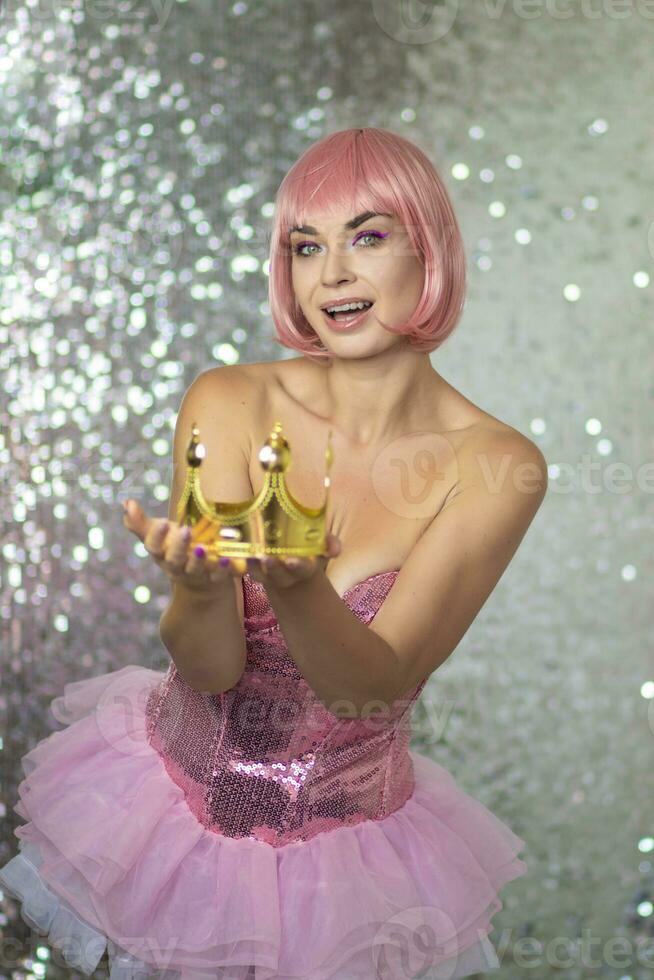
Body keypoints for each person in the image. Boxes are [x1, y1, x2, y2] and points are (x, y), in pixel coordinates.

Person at [0, 128, 547, 979]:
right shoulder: (229, 402)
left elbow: (370, 684)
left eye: (367, 236)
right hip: (167, 820)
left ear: (429, 250)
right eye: (305, 245)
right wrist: (199, 588)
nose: (331, 273)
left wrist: (295, 584)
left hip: (347, 868)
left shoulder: (496, 465)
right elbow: (212, 668)